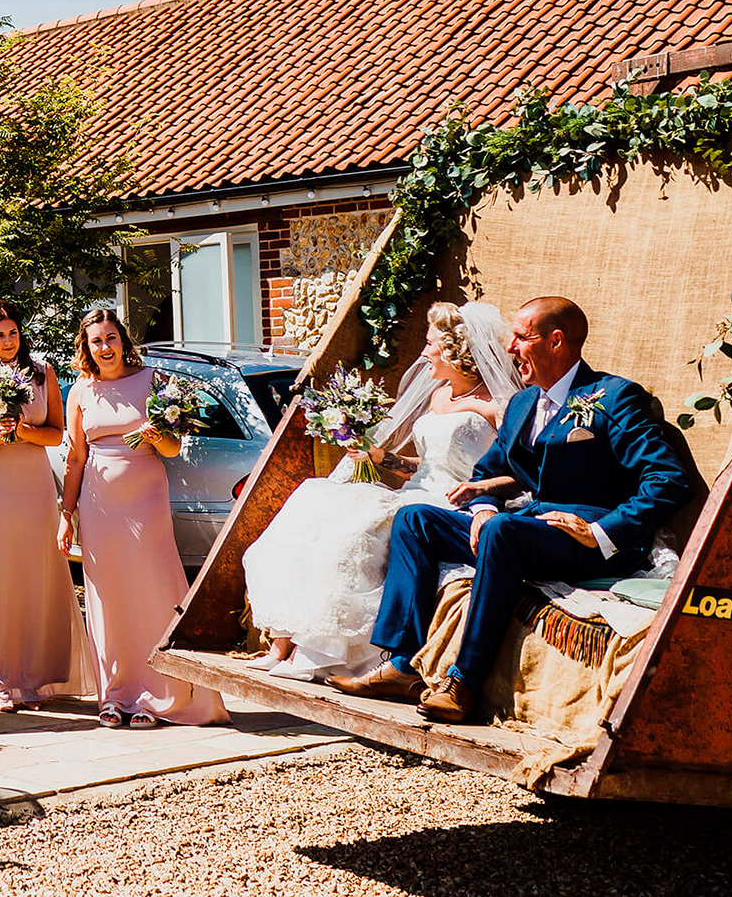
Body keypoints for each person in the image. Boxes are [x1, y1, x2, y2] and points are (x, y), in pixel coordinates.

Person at [331, 296, 694, 723]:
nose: (509, 348)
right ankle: (402, 663)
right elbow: (488, 471)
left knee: (502, 531)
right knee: (415, 520)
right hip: (525, 528)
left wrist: (600, 531)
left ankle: (463, 682)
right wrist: (483, 506)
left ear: (556, 341)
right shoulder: (523, 404)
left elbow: (668, 480)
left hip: (585, 539)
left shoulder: (613, 397)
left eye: (522, 338)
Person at [242, 302, 518, 681]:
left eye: (430, 343)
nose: (424, 353)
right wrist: (378, 457)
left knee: (354, 532)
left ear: (456, 349)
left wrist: (484, 492)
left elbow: (515, 468)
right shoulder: (439, 397)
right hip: (417, 489)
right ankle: (282, 644)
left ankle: (313, 654)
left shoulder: (497, 406)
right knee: (314, 503)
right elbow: (422, 467)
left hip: (451, 502)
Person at [56, 308, 223, 727]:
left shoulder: (152, 381)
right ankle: (115, 695)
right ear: (86, 346)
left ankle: (160, 696)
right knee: (108, 600)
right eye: (96, 341)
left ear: (122, 340)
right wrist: (66, 515)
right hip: (99, 506)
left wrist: (158, 435)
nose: (105, 347)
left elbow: (170, 450)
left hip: (146, 501)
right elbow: (75, 458)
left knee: (153, 589)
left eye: (111, 338)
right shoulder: (80, 391)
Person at [0, 300, 90, 712]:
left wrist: (22, 429)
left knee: (33, 575)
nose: (8, 341)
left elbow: (57, 434)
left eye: (12, 332)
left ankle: (35, 677)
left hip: (33, 487)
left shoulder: (43, 373)